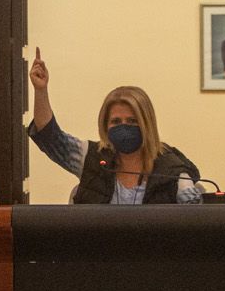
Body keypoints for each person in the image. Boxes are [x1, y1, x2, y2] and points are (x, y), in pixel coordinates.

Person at [26, 49, 202, 204]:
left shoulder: (171, 168)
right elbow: (50, 137)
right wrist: (41, 91)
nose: (124, 127)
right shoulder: (92, 159)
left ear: (146, 124)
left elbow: (193, 215)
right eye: (116, 122)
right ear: (105, 125)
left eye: (132, 121)